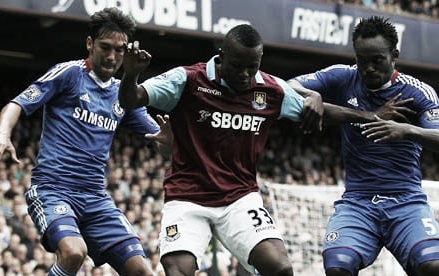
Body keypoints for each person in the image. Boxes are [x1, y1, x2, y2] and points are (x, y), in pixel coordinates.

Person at [117, 24, 323, 276]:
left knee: (280, 268)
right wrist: (130, 75)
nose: (245, 74)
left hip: (239, 197)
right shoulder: (188, 79)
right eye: (237, 65)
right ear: (222, 55)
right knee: (177, 271)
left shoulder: (271, 90)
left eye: (252, 66)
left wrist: (367, 116)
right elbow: (130, 99)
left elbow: (318, 113)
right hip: (187, 197)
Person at [0, 7, 171, 276]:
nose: (112, 56)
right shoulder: (68, 74)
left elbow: (161, 146)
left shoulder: (123, 96)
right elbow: (18, 103)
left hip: (95, 198)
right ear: (90, 44)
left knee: (142, 271)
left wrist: (171, 142)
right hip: (53, 189)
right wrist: (3, 134)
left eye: (120, 49)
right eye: (105, 47)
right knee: (73, 252)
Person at [289, 16, 439, 276]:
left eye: (376, 60)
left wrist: (405, 130)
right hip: (358, 201)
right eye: (361, 60)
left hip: (405, 200)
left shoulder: (418, 92)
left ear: (394, 55)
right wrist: (313, 95)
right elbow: (288, 88)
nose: (368, 68)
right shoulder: (342, 77)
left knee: (431, 264)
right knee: (338, 264)